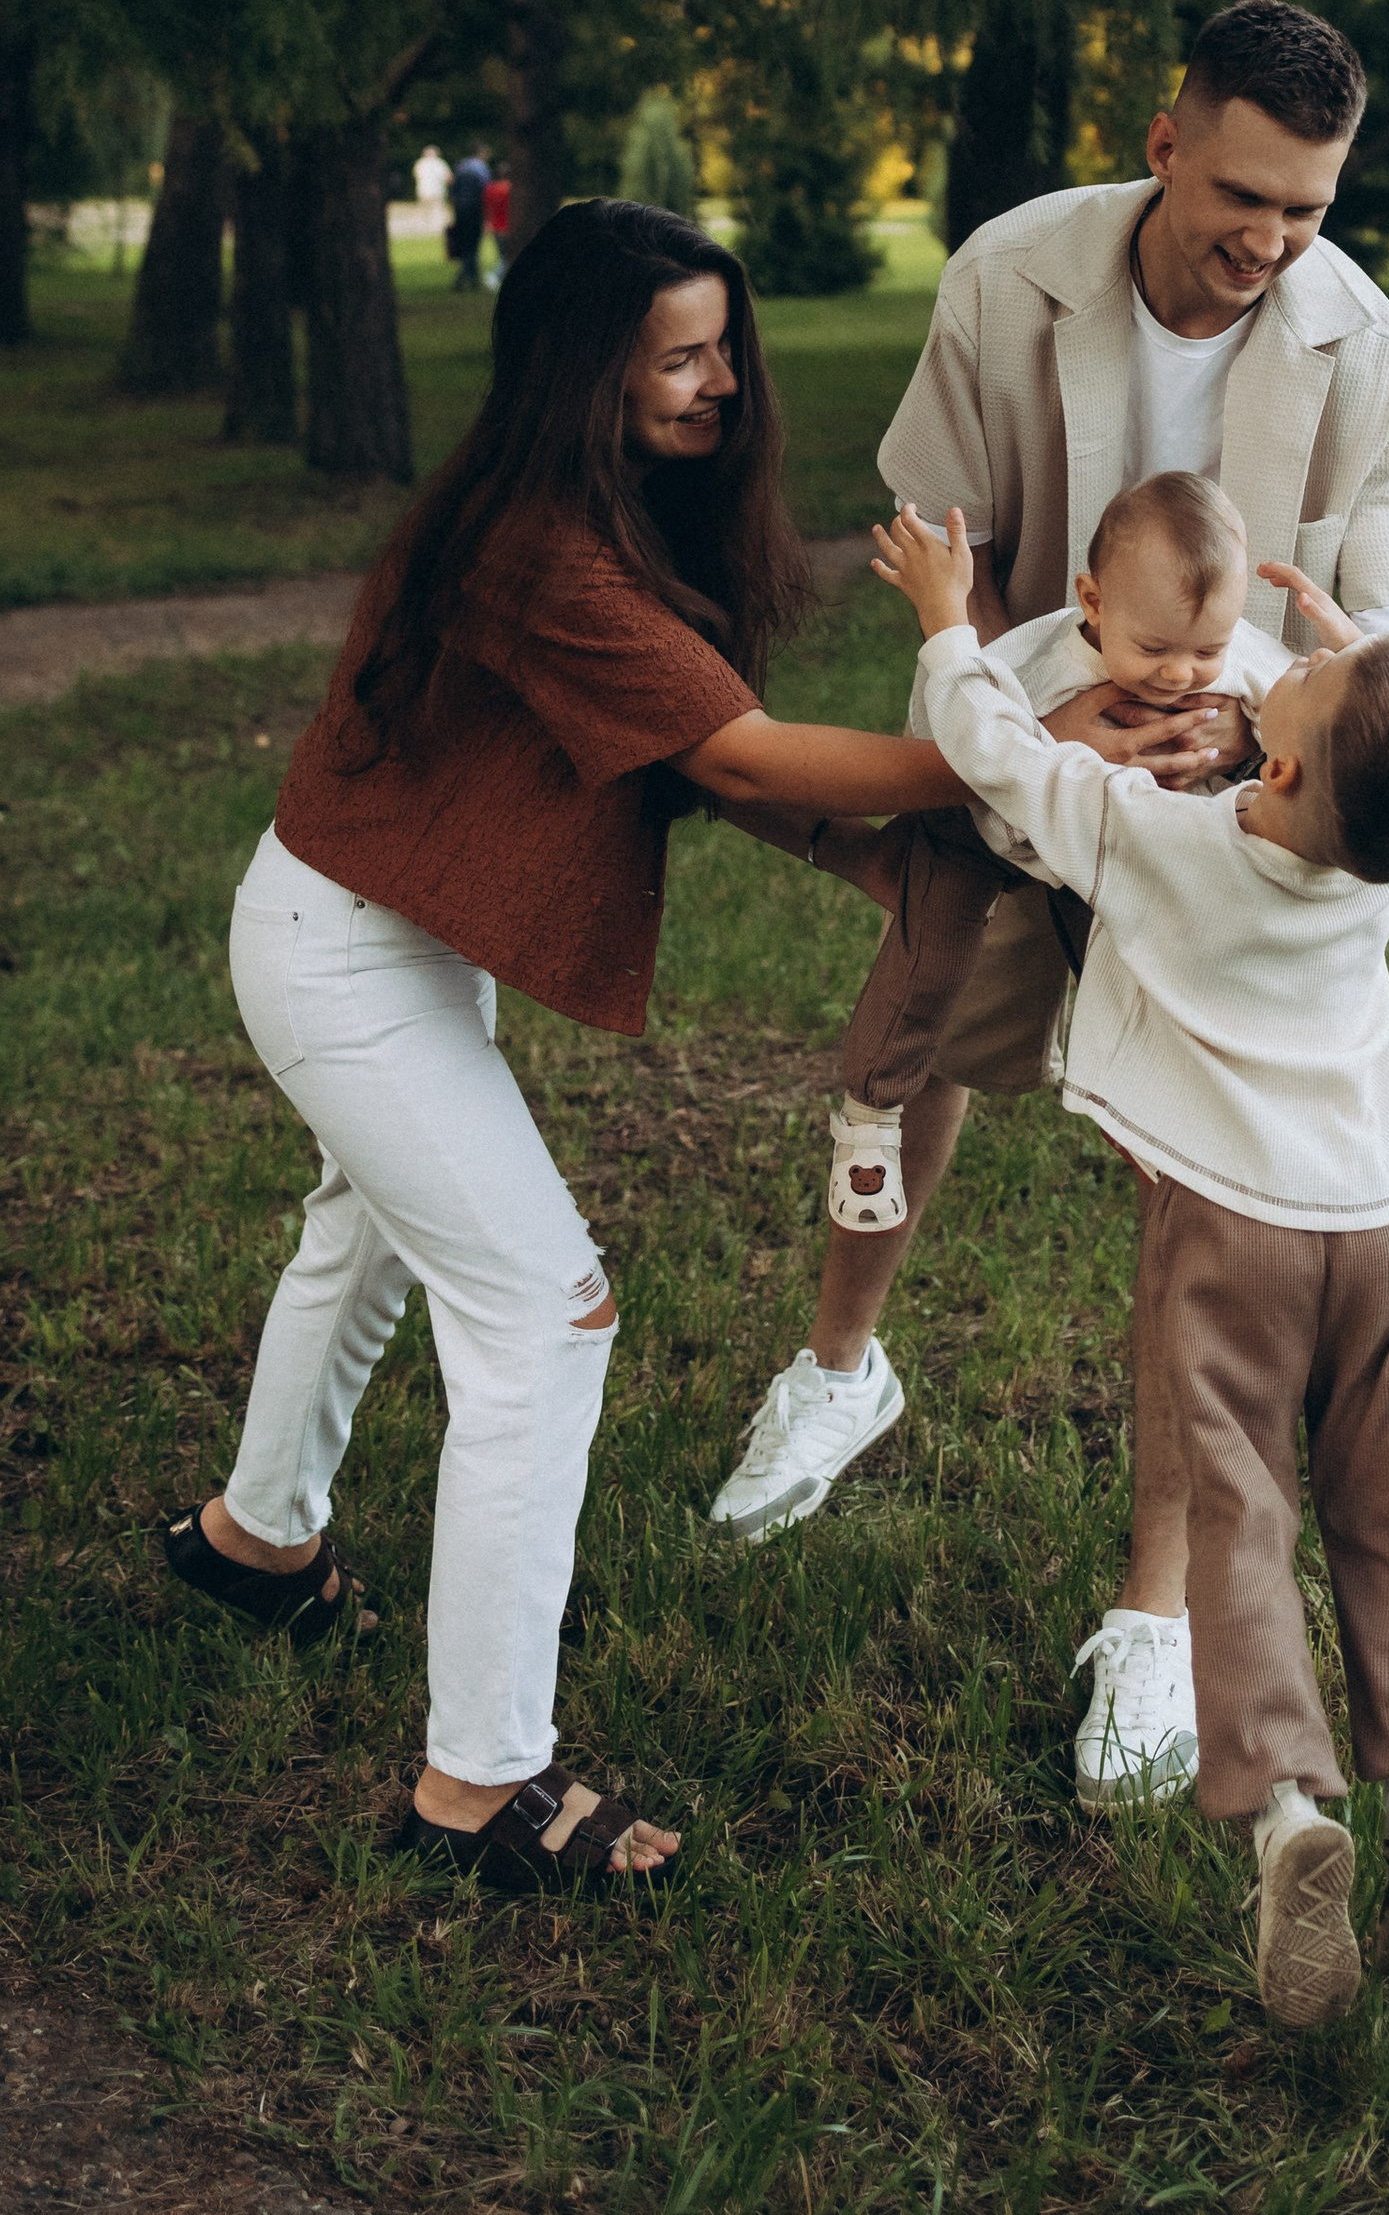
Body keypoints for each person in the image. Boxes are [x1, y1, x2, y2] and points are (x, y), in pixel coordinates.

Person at [162, 203, 971, 1892]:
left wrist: (878, 856)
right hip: (345, 956)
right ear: (577, 372)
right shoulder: (537, 549)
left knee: (363, 1238)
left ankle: (256, 1543)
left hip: (378, 932)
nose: (720, 384)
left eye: (724, 347)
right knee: (550, 1315)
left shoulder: (611, 520)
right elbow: (736, 755)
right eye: (676, 358)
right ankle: (482, 1788)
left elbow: (684, 754)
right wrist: (1010, 762)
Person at [708, 0, 1389, 1812]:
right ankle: (841, 1369)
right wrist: (1039, 729)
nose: (1269, 242)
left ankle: (1157, 1613)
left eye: (1309, 209)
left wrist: (1236, 743)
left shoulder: (1382, 371)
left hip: (1226, 826)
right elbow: (936, 557)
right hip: (1022, 751)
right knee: (920, 1055)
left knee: (1207, 1209)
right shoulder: (1007, 277)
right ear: (1166, 141)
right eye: (1243, 195)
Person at [872, 501, 1389, 2027]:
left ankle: (1289, 1809)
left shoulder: (1160, 844)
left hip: (1236, 1229)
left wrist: (947, 621)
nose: (1277, 664)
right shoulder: (1388, 860)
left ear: (1275, 770)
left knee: (1239, 1507)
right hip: (1386, 1230)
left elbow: (1000, 756)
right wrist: (1357, 661)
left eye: (1298, 677)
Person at [823, 470, 1292, 1230]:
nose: (1181, 672)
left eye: (1208, 648)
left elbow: (1308, 709)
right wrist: (949, 625)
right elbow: (966, 722)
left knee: (1164, 978)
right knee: (932, 938)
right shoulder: (1041, 661)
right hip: (996, 838)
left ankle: (1171, 1123)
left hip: (1130, 854)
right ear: (1093, 601)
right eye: (1154, 648)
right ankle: (875, 1108)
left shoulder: (1239, 656)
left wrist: (1251, 735)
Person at [448, 143, 490, 290]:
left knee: (465, 243)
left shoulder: (461, 166)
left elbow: (453, 189)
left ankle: (473, 279)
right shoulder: (481, 168)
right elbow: (485, 190)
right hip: (475, 209)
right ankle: (463, 278)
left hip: (461, 209)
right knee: (473, 245)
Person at [412, 144, 452, 249]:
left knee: (424, 210)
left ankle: (424, 228)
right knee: (436, 210)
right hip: (437, 191)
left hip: (424, 190)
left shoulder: (420, 163)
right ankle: (435, 229)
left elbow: (416, 175)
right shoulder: (440, 163)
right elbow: (448, 177)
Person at [483, 159, 514, 288]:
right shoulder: (511, 189)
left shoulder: (490, 189)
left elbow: (487, 208)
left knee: (502, 254)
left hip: (495, 226)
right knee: (507, 256)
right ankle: (494, 276)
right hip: (508, 226)